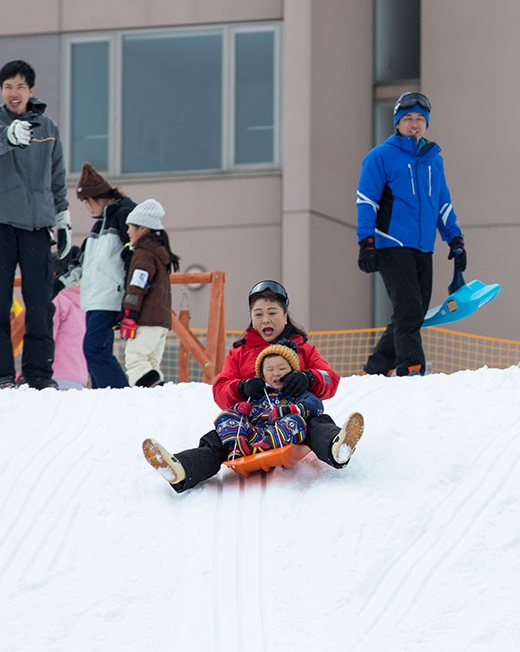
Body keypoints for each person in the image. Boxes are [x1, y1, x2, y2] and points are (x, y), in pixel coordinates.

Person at [141, 279, 365, 493]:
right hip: (252, 426)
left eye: (272, 313)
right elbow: (220, 389)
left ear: (285, 316)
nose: (265, 319)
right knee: (216, 440)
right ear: (251, 318)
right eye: (258, 314)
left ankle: (337, 447)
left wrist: (308, 378)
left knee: (318, 423)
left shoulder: (303, 349)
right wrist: (242, 387)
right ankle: (181, 469)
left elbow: (331, 379)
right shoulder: (240, 353)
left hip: (294, 421)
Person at [356, 91, 466, 377]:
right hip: (391, 244)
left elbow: (442, 202)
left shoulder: (433, 159)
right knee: (409, 308)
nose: (414, 124)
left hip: (423, 247)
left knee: (413, 311)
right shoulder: (379, 157)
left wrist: (455, 239)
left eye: (420, 118)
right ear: (397, 122)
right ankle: (411, 366)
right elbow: (366, 201)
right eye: (408, 118)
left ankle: (378, 366)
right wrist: (366, 242)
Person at [0, 59, 69, 390]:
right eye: (7, 87)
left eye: (20, 87)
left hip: (37, 226)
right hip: (1, 224)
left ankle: (39, 373)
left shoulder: (48, 128)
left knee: (40, 301)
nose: (14, 93)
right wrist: (6, 138)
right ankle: (2, 373)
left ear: (32, 90)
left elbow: (57, 176)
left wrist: (62, 217)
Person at [75, 163, 137, 388]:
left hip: (110, 297)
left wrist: (131, 294)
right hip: (94, 299)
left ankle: (119, 391)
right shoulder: (97, 228)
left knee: (93, 347)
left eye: (87, 201)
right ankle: (104, 393)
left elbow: (133, 253)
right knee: (96, 348)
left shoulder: (123, 215)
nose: (87, 207)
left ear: (99, 197)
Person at [214, 339, 324, 459]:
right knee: (226, 415)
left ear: (292, 370)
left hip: (281, 436)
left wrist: (290, 410)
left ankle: (267, 445)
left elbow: (316, 405)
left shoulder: (295, 392)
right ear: (262, 374)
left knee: (296, 421)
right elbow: (240, 412)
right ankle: (236, 448)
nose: (276, 373)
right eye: (269, 370)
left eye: (282, 369)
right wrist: (240, 408)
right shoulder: (258, 394)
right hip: (255, 435)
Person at [118, 199, 180, 388]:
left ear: (142, 228)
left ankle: (156, 388)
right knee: (150, 363)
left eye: (130, 227)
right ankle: (156, 399)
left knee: (135, 360)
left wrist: (130, 315)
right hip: (161, 321)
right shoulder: (158, 253)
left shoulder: (144, 253)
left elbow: (137, 286)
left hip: (147, 319)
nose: (128, 231)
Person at [49, 246, 87, 390]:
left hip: (54, 375)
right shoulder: (85, 302)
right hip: (78, 377)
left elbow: (47, 336)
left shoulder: (58, 299)